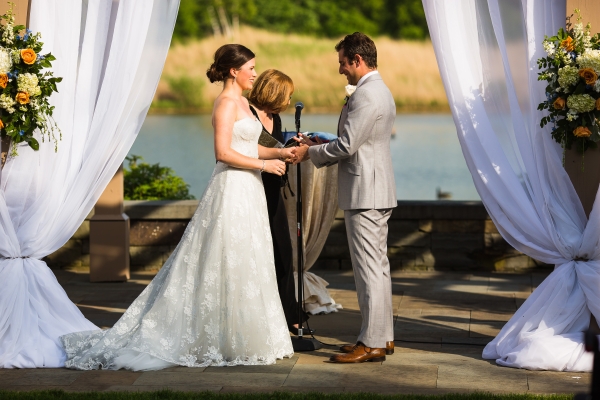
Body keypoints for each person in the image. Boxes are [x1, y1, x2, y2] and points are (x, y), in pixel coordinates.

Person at [59, 44, 296, 370]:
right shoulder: (226, 103)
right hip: (231, 189)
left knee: (248, 258)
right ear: (233, 71)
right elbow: (224, 152)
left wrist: (279, 154)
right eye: (251, 68)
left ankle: (241, 336)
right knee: (224, 257)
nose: (255, 73)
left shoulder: (243, 101)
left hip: (249, 191)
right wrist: (265, 166)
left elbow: (249, 145)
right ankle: (212, 335)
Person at [294, 32, 397, 363]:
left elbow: (347, 146)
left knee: (368, 270)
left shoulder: (367, 95)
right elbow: (358, 140)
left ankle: (371, 343)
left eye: (342, 62)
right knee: (377, 269)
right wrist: (326, 138)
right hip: (375, 188)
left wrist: (311, 150)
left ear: (357, 60)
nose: (340, 70)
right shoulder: (379, 90)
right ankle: (383, 337)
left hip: (365, 191)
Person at [247, 69, 310, 335]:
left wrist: (290, 145)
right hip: (250, 187)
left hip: (274, 189)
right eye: (286, 95)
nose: (287, 100)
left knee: (283, 252)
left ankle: (291, 314)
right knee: (256, 253)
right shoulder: (246, 113)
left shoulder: (275, 116)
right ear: (273, 91)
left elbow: (274, 145)